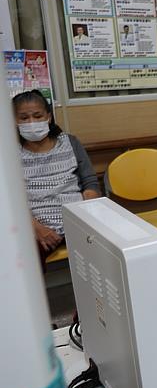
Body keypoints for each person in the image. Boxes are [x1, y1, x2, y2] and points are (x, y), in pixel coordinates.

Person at [13, 90, 100, 267]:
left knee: (111, 250)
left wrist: (86, 217)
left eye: (38, 116)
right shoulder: (9, 152)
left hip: (77, 222)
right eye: (24, 118)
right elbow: (9, 200)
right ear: (14, 121)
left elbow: (90, 182)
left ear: (49, 117)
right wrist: (36, 228)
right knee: (21, 260)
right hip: (36, 229)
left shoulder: (70, 142)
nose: (32, 122)